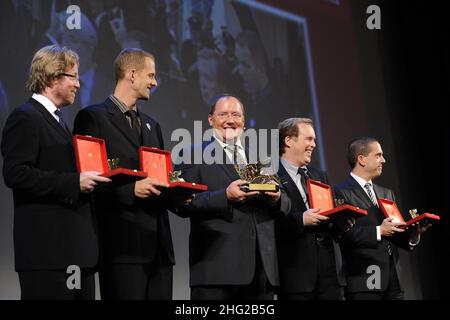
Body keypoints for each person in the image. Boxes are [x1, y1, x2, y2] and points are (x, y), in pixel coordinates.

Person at [1, 45, 110, 300]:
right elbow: (15, 173)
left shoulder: (58, 121)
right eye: (73, 76)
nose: (78, 84)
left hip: (74, 254)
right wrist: (74, 183)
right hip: (47, 256)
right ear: (52, 78)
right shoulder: (25, 117)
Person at [73, 48, 175, 300]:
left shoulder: (153, 125)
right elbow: (89, 181)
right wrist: (131, 191)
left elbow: (160, 174)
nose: (155, 82)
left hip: (158, 249)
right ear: (132, 74)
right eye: (150, 75)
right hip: (121, 247)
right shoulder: (92, 117)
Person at [175, 94, 291, 300]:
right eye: (223, 114)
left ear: (244, 122)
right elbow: (181, 203)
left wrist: (277, 198)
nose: (231, 119)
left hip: (261, 270)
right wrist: (225, 196)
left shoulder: (261, 159)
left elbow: (286, 204)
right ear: (210, 120)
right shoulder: (191, 153)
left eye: (236, 114)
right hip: (217, 269)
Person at [334, 137, 431, 300]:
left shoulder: (386, 193)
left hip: (393, 280)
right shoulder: (340, 193)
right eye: (378, 155)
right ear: (362, 159)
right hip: (366, 278)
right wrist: (379, 231)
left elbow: (393, 234)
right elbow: (344, 236)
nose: (383, 160)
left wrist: (413, 235)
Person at [275, 118, 348, 300]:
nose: (313, 145)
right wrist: (301, 220)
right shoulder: (270, 175)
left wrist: (342, 223)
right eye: (308, 139)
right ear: (288, 141)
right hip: (296, 276)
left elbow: (328, 216)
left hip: (330, 276)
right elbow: (267, 222)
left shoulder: (319, 175)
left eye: (314, 140)